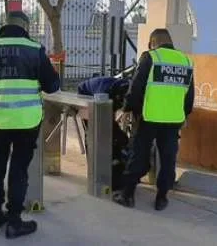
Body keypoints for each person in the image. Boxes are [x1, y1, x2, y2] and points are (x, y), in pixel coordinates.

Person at [0, 11, 60, 239]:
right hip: (26, 120)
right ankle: (14, 220)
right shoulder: (34, 49)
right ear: (25, 26)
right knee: (19, 169)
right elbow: (52, 86)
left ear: (6, 25)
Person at [115, 28, 194, 211]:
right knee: (168, 160)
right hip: (173, 121)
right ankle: (161, 198)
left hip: (148, 118)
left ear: (152, 43)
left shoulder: (150, 57)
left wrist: (127, 108)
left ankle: (127, 195)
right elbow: (189, 96)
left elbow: (136, 87)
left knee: (138, 155)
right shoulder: (186, 61)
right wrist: (185, 114)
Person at [77, 76, 130, 191]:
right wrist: (121, 137)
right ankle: (94, 172)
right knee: (93, 132)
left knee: (113, 134)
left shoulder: (126, 88)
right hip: (87, 94)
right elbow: (104, 121)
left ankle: (112, 167)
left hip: (107, 98)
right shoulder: (105, 92)